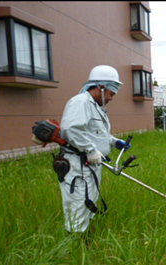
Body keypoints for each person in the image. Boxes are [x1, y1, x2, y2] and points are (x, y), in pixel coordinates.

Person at [56, 65, 131, 235]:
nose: (112, 98)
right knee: (78, 203)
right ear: (102, 87)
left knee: (89, 201)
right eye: (112, 94)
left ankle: (85, 236)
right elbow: (72, 129)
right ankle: (75, 242)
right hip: (77, 165)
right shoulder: (80, 102)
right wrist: (90, 150)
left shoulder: (96, 107)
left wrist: (114, 142)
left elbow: (96, 133)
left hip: (90, 164)